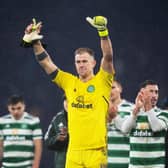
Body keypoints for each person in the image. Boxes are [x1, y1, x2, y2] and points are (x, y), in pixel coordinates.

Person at [22, 15, 114, 168]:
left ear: (93, 63)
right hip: (73, 152)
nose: (81, 65)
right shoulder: (69, 82)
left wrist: (103, 33)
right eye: (78, 62)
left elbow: (108, 57)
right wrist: (35, 42)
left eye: (85, 61)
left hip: (96, 151)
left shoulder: (102, 80)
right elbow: (46, 62)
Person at [121, 80, 168, 168]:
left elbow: (156, 127)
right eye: (151, 91)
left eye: (156, 92)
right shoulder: (132, 113)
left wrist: (148, 105)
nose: (154, 95)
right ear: (141, 94)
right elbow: (124, 130)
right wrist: (136, 110)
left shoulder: (163, 114)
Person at [0, 94, 42, 168]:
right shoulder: (2, 122)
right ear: (8, 108)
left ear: (24, 106)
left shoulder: (33, 121)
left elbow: (38, 147)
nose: (16, 111)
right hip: (6, 166)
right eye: (13, 109)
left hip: (26, 165)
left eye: (19, 108)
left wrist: (35, 166)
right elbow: (0, 146)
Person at [107, 80, 134, 168]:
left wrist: (114, 117)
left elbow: (129, 131)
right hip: (104, 162)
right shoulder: (98, 110)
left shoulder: (132, 109)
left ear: (120, 89)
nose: (110, 91)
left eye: (113, 88)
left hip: (125, 161)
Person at [44, 95, 68, 168]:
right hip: (62, 164)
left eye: (70, 101)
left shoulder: (85, 118)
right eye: (66, 101)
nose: (67, 104)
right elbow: (47, 141)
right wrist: (57, 138)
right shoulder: (58, 118)